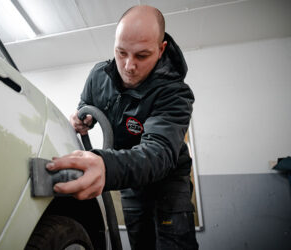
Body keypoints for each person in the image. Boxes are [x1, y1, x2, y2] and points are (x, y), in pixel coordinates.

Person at [46, 5, 199, 250]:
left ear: (161, 51)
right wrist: (81, 117)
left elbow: (159, 152)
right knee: (141, 244)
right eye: (121, 53)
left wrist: (106, 164)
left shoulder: (175, 93)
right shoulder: (99, 75)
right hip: (130, 182)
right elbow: (87, 104)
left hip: (168, 182)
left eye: (141, 56)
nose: (128, 66)